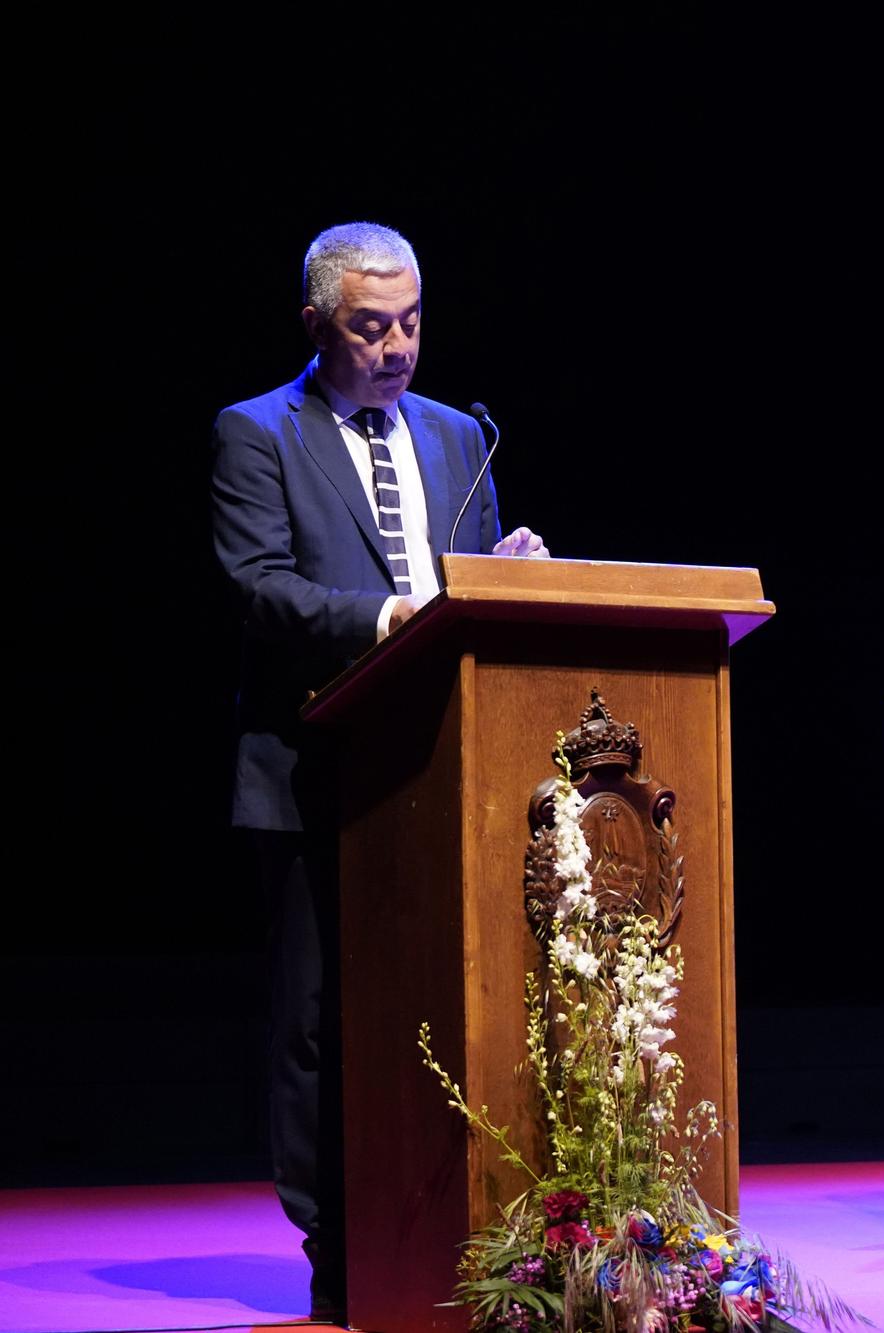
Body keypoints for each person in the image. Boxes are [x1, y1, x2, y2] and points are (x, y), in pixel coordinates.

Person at [210, 222, 549, 1316]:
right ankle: (332, 1240)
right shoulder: (256, 432)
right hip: (311, 768)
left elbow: (467, 594)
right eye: (369, 327)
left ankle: (450, 1220)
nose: (396, 346)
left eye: (410, 321)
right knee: (317, 1021)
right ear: (315, 324)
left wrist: (505, 581)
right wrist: (390, 616)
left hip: (443, 770)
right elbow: (258, 590)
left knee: (448, 1003)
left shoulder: (459, 436)